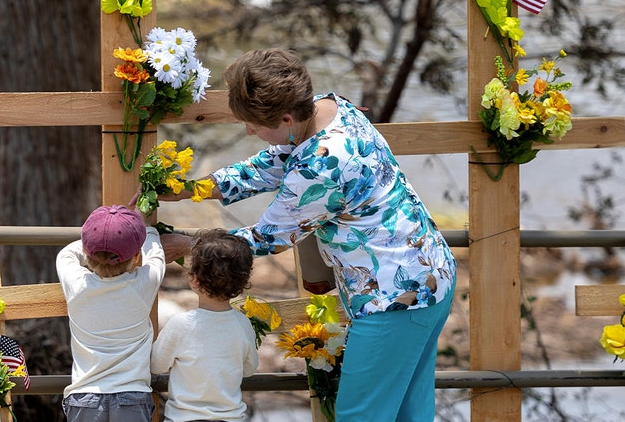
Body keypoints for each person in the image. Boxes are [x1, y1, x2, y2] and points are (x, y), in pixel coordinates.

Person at [160, 49, 457, 421]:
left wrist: (188, 245)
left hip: (394, 298)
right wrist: (187, 189)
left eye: (253, 123)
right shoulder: (328, 107)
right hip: (431, 274)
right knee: (409, 415)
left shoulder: (323, 163)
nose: (249, 131)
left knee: (358, 416)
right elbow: (265, 167)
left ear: (286, 117)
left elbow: (269, 237)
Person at [57, 204, 170, 422]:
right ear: (136, 256)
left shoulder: (77, 283)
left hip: (84, 396)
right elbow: (156, 252)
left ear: (86, 253)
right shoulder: (145, 283)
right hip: (133, 396)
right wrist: (147, 228)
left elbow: (66, 254)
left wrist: (97, 242)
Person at [151, 228, 259, 422]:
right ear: (242, 283)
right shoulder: (243, 324)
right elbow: (250, 369)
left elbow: (156, 365)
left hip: (184, 418)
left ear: (194, 280)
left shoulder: (180, 324)